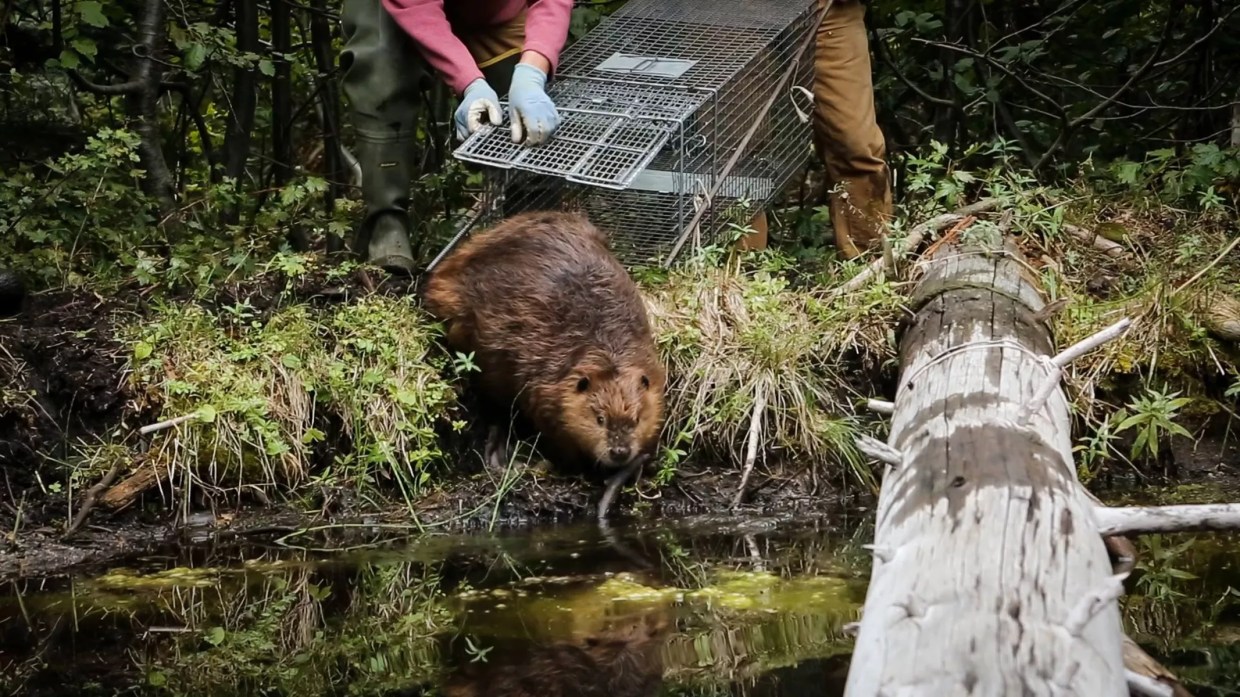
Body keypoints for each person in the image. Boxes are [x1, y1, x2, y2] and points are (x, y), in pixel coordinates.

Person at [339, 0, 573, 275]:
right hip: (397, 12)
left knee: (535, 107)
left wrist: (532, 73)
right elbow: (418, 9)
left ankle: (531, 247)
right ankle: (387, 223)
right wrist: (469, 81)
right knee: (377, 58)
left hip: (498, 14)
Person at [811, 0, 893, 259]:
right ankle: (729, 284)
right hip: (730, 16)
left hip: (827, 12)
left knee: (857, 146)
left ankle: (867, 269)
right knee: (734, 153)